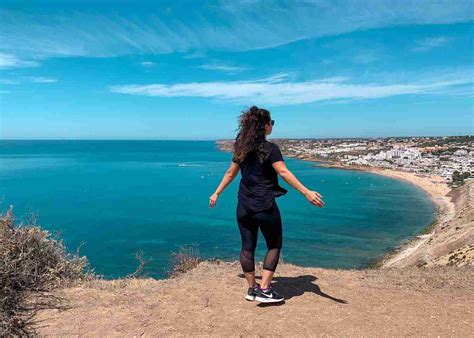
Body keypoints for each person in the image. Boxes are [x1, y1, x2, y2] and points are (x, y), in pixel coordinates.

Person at [209, 106, 324, 303]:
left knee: (247, 247)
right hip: (264, 205)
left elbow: (230, 173)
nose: (272, 125)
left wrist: (216, 193)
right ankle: (265, 290)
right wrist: (306, 192)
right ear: (264, 126)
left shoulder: (242, 149)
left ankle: (252, 289)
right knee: (274, 244)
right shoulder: (271, 149)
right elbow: (284, 172)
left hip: (243, 205)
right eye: (271, 122)